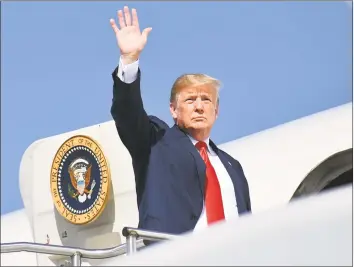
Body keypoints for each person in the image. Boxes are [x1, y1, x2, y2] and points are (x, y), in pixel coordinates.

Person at [109, 6, 251, 236]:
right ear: (173, 110)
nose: (198, 106)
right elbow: (127, 113)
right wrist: (129, 59)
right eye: (190, 99)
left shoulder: (232, 166)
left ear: (216, 110)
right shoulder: (155, 144)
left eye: (206, 99)